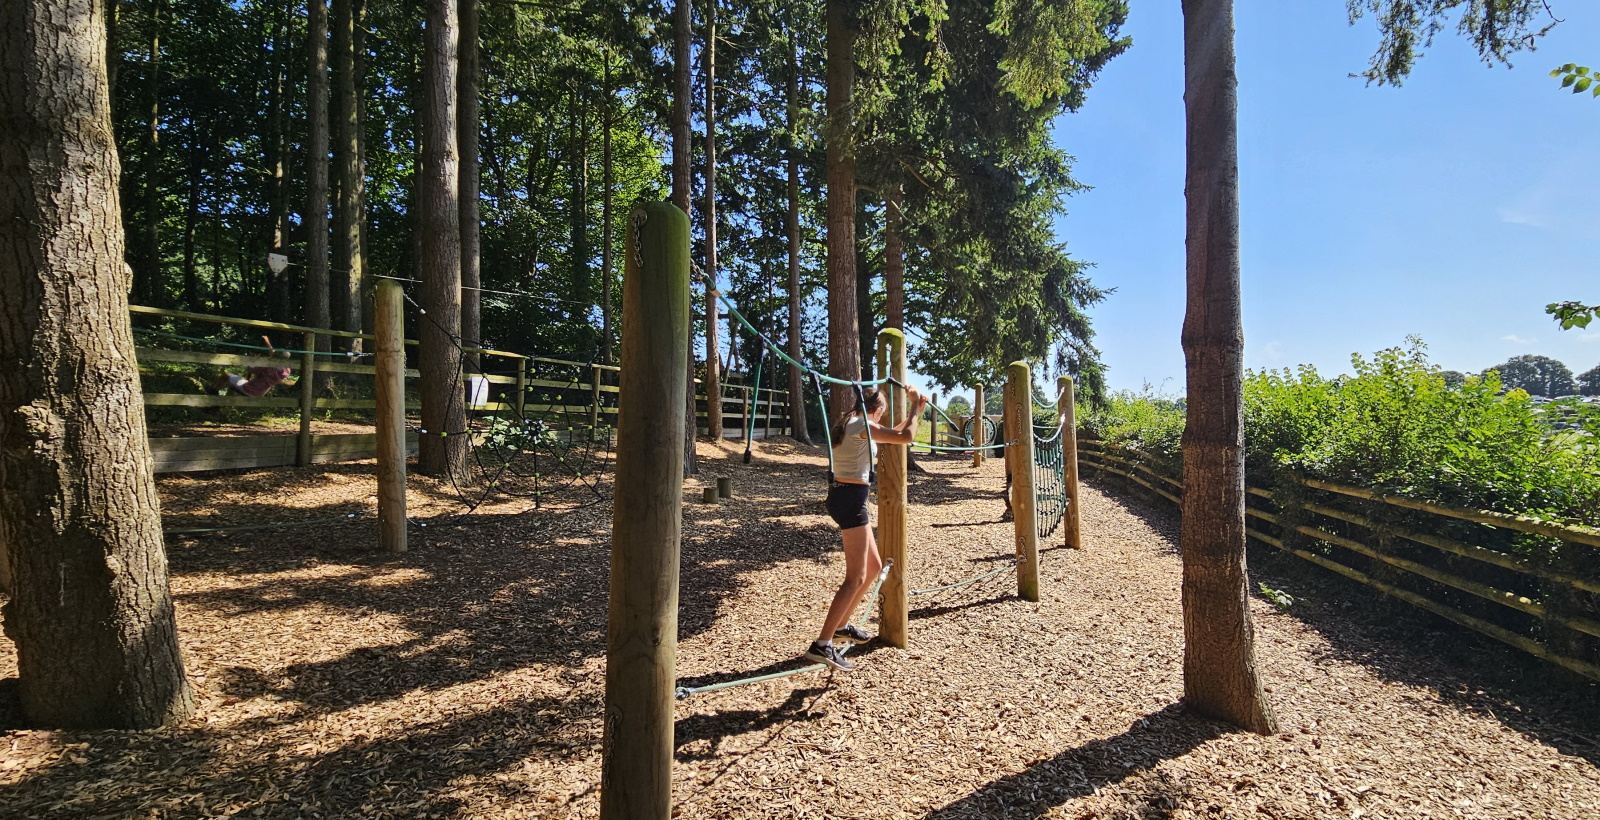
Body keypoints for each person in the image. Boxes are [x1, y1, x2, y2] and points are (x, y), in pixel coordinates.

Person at [804, 383, 929, 671]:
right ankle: (821, 645)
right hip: (849, 502)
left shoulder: (853, 422)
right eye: (882, 415)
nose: (882, 421)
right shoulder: (862, 425)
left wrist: (915, 411)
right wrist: (914, 408)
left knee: (872, 568)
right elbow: (906, 436)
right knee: (855, 577)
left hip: (847, 498)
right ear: (876, 410)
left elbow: (893, 435)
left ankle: (842, 625)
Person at [214, 335, 295, 397]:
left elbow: (251, 370)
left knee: (226, 375)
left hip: (250, 389)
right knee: (233, 387)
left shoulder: (268, 367)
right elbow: (274, 356)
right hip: (261, 392)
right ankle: (222, 406)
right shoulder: (286, 370)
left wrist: (253, 361)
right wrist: (267, 343)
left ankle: (214, 392)